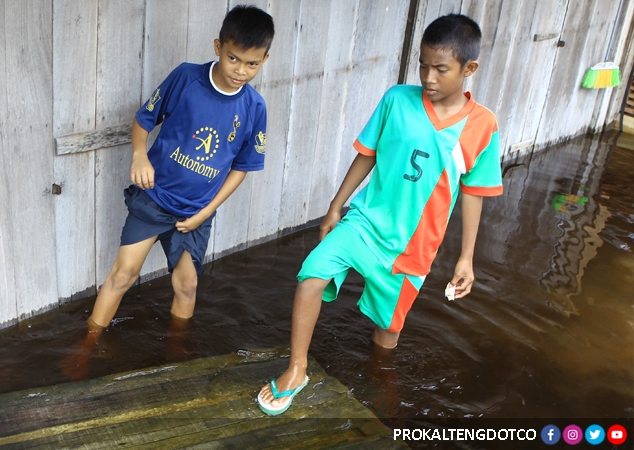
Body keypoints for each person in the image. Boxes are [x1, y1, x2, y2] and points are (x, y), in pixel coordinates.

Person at [257, 13, 503, 416]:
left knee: (387, 333)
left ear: (469, 69)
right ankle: (297, 368)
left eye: (441, 69)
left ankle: (377, 386)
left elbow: (474, 195)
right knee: (311, 273)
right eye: (423, 65)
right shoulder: (396, 99)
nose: (428, 77)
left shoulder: (483, 125)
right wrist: (337, 205)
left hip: (413, 248)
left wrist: (466, 259)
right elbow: (367, 154)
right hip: (365, 222)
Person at [87, 6, 274, 333]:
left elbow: (241, 168)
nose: (241, 70)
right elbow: (145, 119)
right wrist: (138, 155)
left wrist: (206, 213)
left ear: (264, 60)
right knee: (123, 274)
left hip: (196, 212)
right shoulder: (187, 78)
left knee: (187, 285)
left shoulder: (255, 108)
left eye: (252, 63)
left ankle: (177, 351)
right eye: (233, 58)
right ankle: (86, 346)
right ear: (218, 47)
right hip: (154, 199)